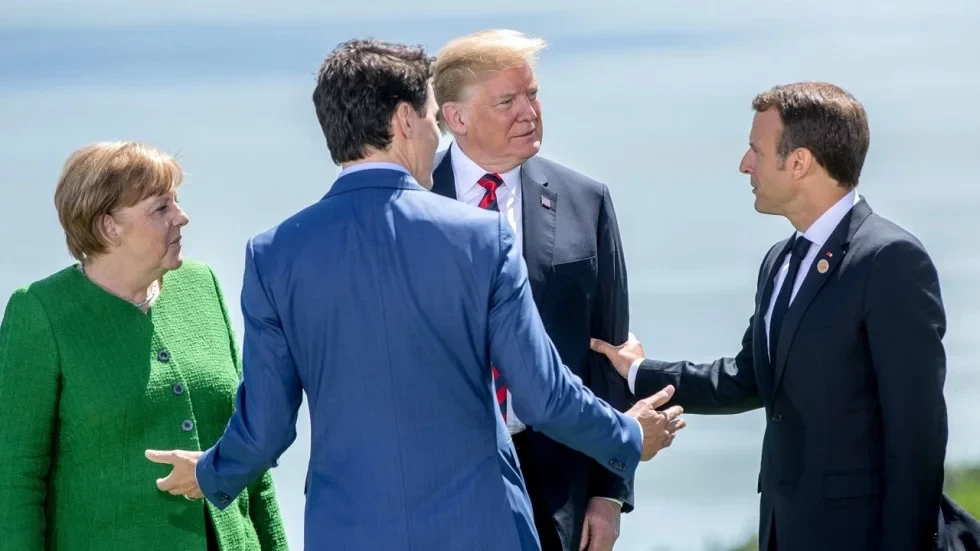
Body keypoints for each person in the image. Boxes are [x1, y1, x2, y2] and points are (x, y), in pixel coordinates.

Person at [143, 38, 685, 551]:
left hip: (348, 531)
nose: (435, 135)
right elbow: (544, 396)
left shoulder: (273, 254)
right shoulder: (484, 238)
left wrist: (210, 472)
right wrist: (629, 434)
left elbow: (265, 428)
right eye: (430, 118)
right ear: (404, 120)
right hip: (481, 527)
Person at [590, 81, 948, 551]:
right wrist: (638, 371)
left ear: (799, 162)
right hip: (784, 529)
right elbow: (748, 379)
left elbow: (917, 435)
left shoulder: (890, 259)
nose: (745, 164)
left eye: (756, 151)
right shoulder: (779, 261)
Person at [0, 141, 288, 550]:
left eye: (177, 202)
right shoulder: (40, 312)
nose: (182, 217)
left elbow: (247, 446)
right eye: (161, 208)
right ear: (109, 227)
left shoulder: (202, 286)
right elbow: (15, 480)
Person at [430, 29, 636, 551]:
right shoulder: (413, 200)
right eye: (507, 101)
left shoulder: (586, 199)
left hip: (559, 486)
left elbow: (610, 353)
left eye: (533, 94)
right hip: (441, 482)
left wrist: (609, 494)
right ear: (457, 117)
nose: (529, 112)